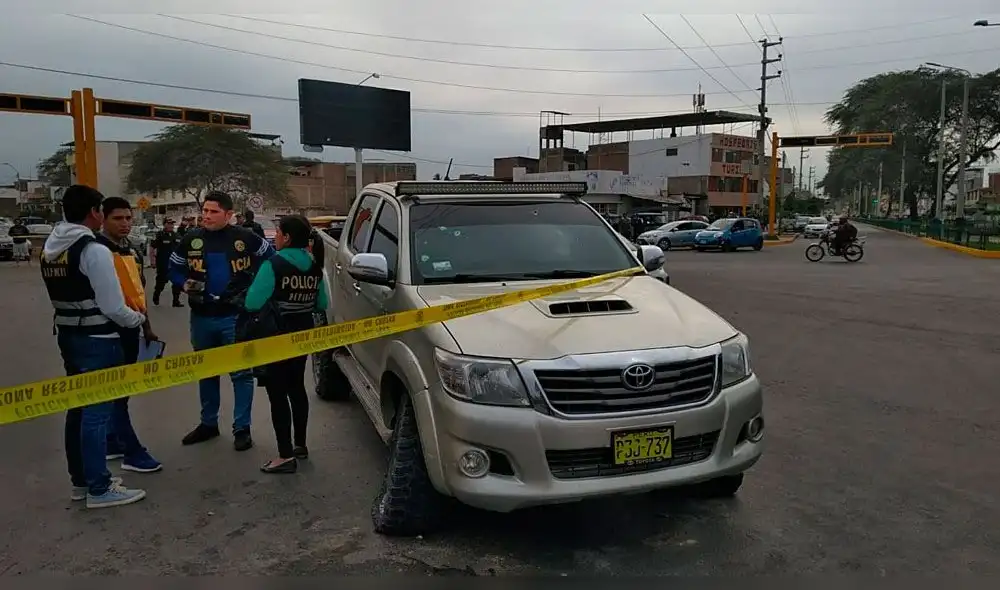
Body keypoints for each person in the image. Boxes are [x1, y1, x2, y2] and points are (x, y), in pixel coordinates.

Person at [40, 185, 147, 508]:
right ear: (95, 213)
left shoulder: (53, 246)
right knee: (97, 414)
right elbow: (113, 307)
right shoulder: (93, 249)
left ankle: (82, 482)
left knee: (78, 410)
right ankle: (99, 487)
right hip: (99, 339)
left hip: (69, 335)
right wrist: (136, 320)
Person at [169, 191, 274, 451]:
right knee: (206, 372)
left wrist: (254, 292)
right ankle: (208, 423)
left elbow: (271, 260)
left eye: (213, 212)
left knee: (241, 374)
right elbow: (173, 268)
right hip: (202, 317)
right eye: (204, 211)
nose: (206, 216)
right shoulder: (191, 239)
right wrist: (184, 284)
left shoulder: (245, 237)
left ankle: (242, 428)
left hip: (235, 318)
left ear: (229, 215)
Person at [244, 215, 327, 473]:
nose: (276, 237)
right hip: (303, 334)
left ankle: (284, 455)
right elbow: (322, 304)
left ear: (287, 237)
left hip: (276, 335)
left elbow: (252, 303)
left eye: (278, 233)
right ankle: (300, 445)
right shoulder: (313, 265)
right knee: (297, 388)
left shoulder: (274, 264)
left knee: (277, 394)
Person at [95, 197, 163, 473]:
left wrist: (146, 326)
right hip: (108, 330)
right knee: (117, 391)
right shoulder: (97, 251)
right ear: (102, 218)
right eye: (117, 218)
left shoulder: (132, 250)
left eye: (128, 218)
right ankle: (133, 452)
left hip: (132, 326)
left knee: (122, 392)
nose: (124, 224)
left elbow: (138, 291)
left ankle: (112, 441)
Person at [150, 218, 183, 307]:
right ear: (164, 224)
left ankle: (176, 301)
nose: (171, 225)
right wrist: (152, 261)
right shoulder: (159, 235)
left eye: (172, 224)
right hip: (163, 263)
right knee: (161, 282)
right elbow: (152, 248)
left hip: (175, 264)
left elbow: (181, 249)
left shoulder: (177, 235)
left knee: (177, 282)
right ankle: (156, 295)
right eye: (169, 223)